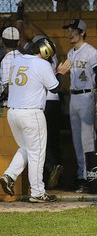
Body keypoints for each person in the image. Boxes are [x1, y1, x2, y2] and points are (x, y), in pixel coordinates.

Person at [0, 36, 71, 202]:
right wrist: (60, 73)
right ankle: (38, 193)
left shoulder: (17, 60)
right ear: (45, 51)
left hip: (13, 113)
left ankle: (9, 175)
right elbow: (55, 87)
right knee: (37, 153)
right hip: (31, 114)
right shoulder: (42, 64)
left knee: (25, 148)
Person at [16, 2, 64, 190]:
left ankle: (50, 168)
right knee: (50, 139)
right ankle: (53, 169)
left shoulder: (33, 59)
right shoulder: (51, 57)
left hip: (42, 103)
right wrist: (32, 23)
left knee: (38, 142)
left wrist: (22, 17)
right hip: (53, 103)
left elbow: (21, 40)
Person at [63, 19, 97, 193]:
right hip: (74, 97)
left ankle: (90, 177)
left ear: (82, 33)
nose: (70, 33)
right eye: (69, 30)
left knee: (87, 138)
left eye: (74, 31)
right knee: (77, 139)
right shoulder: (71, 53)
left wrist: (92, 89)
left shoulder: (91, 52)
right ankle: (81, 176)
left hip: (87, 95)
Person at [0, 27, 22, 107]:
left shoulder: (6, 60)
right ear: (19, 42)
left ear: (2, 41)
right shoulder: (24, 57)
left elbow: (9, 86)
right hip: (23, 102)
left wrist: (1, 97)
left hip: (10, 104)